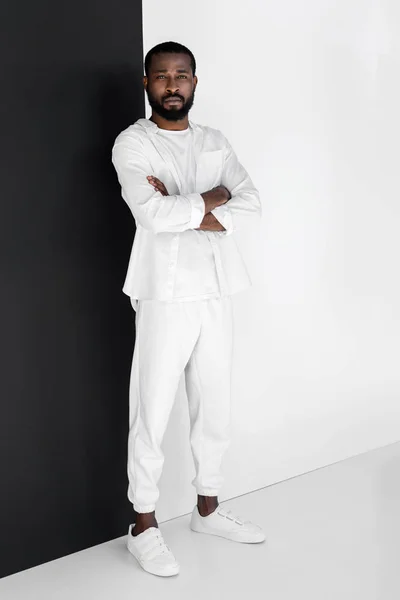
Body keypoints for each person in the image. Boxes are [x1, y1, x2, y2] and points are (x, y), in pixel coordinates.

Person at [111, 40, 265, 578]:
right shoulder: (132, 144)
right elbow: (152, 216)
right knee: (151, 407)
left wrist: (188, 205)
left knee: (214, 404)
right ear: (147, 83)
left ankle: (208, 508)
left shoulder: (215, 141)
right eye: (161, 75)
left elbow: (252, 205)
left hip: (218, 288)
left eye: (182, 75)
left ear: (195, 82)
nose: (172, 84)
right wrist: (214, 197)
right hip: (163, 291)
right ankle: (143, 525)